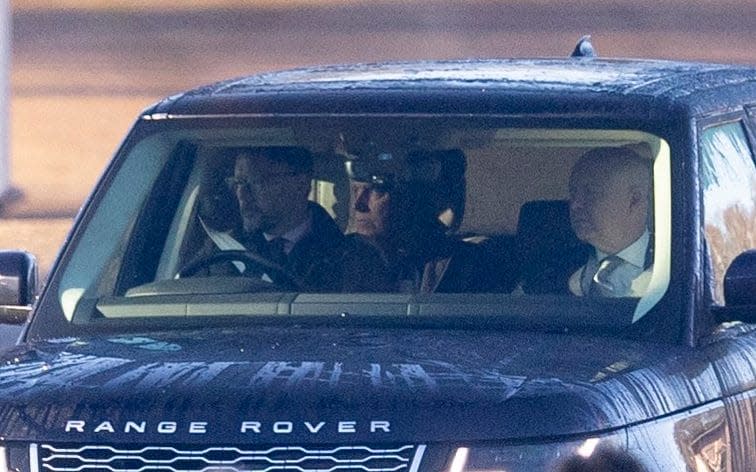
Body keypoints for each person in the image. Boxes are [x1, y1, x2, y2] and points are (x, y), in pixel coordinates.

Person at [191, 146, 389, 292]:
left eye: (257, 182)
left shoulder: (356, 260)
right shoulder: (218, 256)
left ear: (301, 184)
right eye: (239, 183)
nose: (242, 195)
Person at [346, 148, 509, 293]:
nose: (358, 205)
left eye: (375, 191)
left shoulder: (470, 265)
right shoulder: (340, 262)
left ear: (410, 199)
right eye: (355, 191)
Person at [567, 146, 653, 297]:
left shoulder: (675, 266)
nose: (575, 204)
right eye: (573, 193)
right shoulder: (549, 267)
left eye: (591, 193)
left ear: (634, 200)